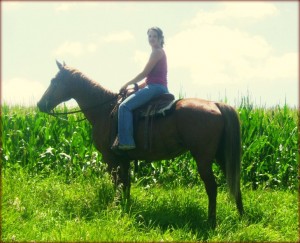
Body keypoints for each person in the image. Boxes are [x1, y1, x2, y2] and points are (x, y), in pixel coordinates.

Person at [113, 27, 169, 151]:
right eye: (149, 36)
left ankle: (126, 142)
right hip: (157, 87)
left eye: (154, 36)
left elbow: (144, 73)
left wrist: (126, 84)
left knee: (124, 107)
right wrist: (136, 87)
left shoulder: (157, 52)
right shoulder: (159, 52)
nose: (152, 39)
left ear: (160, 39)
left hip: (155, 88)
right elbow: (149, 79)